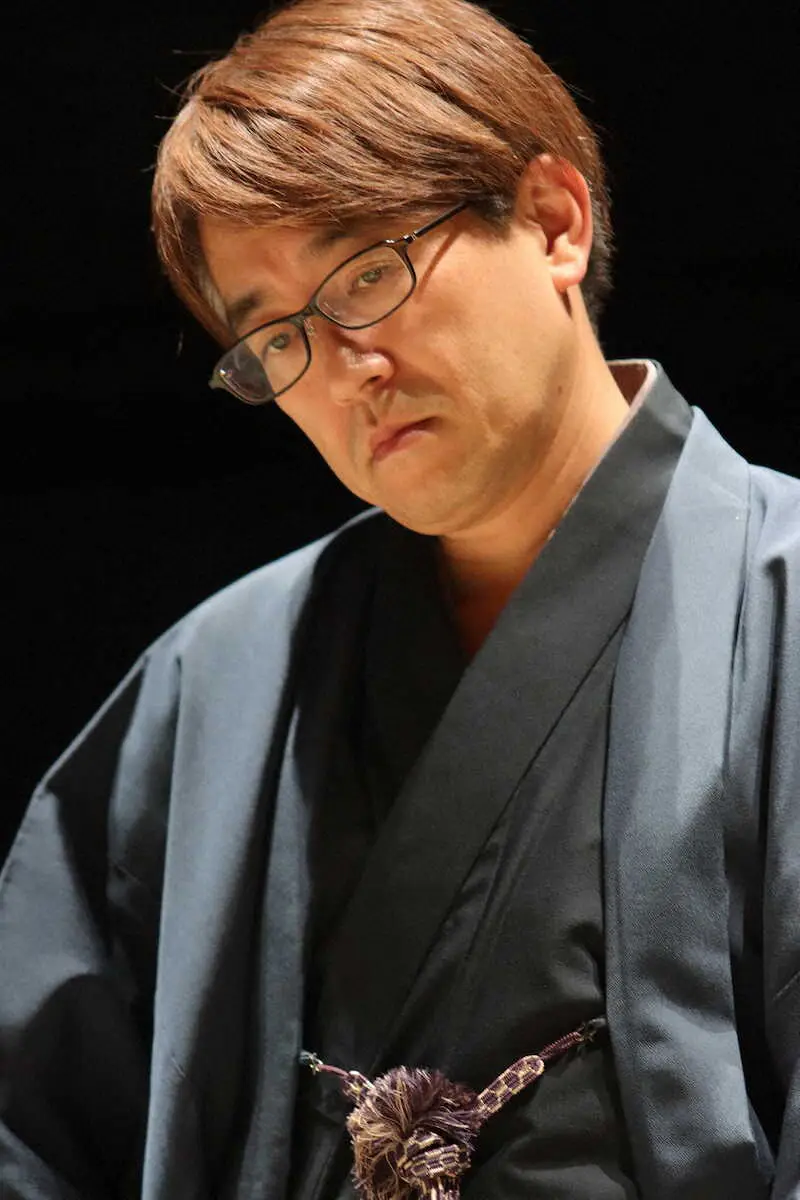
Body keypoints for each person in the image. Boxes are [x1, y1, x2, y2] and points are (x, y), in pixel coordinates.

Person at [1, 0, 798, 1196]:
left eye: (369, 272)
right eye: (276, 339)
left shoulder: (780, 605)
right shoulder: (217, 681)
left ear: (553, 221)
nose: (344, 371)